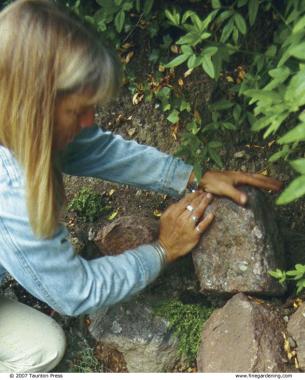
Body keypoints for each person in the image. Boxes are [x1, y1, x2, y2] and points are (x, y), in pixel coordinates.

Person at [0, 0, 282, 373]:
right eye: (77, 111)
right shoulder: (13, 194)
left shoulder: (13, 115)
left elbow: (95, 148)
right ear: (32, 110)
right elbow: (77, 292)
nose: (90, 121)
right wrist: (162, 250)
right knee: (43, 347)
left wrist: (192, 175)